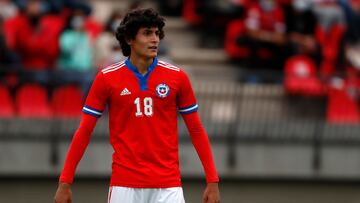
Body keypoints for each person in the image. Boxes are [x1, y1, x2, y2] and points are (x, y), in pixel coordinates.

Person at [54, 8, 220, 203]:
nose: (155, 39)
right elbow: (84, 131)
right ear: (130, 39)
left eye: (157, 33)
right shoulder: (107, 78)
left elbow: (196, 129)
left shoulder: (177, 77)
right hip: (124, 185)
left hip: (168, 186)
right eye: (147, 33)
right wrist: (65, 182)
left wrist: (213, 181)